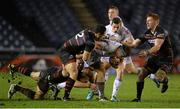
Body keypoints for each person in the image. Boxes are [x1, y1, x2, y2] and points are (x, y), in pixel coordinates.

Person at [123, 12, 174, 102]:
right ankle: (138, 99)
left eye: (149, 21)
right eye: (146, 21)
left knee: (159, 78)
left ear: (156, 22)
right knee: (141, 74)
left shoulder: (161, 32)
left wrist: (147, 52)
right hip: (154, 58)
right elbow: (134, 44)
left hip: (165, 59)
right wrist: (121, 41)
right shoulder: (147, 33)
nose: (147, 22)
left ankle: (165, 81)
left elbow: (157, 46)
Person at [57, 24, 106, 101]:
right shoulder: (90, 43)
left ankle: (56, 85)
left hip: (67, 50)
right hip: (66, 52)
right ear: (98, 34)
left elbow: (82, 44)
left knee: (66, 74)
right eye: (102, 35)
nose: (102, 37)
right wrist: (91, 56)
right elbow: (85, 58)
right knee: (74, 73)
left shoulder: (87, 31)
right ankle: (65, 97)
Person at [7, 63, 97, 100]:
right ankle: (16, 87)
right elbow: (74, 84)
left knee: (32, 74)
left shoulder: (76, 65)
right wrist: (88, 85)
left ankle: (14, 67)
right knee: (37, 96)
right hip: (49, 78)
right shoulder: (75, 72)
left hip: (51, 70)